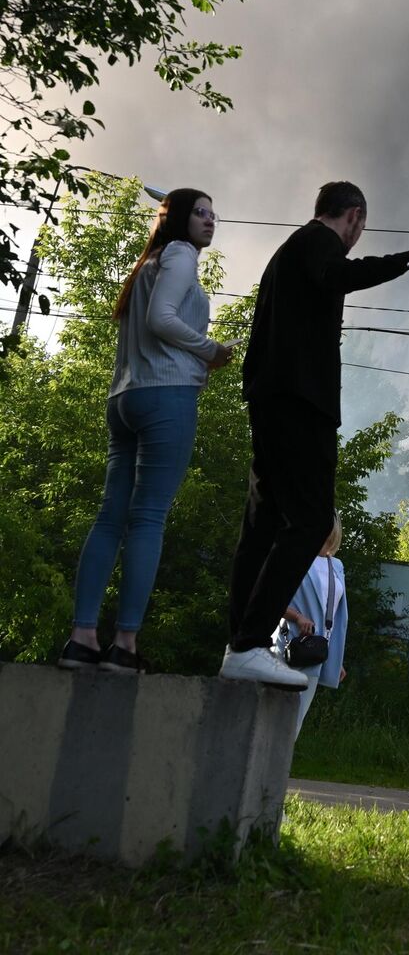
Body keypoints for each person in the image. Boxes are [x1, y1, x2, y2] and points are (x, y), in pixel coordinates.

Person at [221, 181, 409, 688]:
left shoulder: (292, 252)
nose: (357, 238)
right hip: (299, 402)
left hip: (273, 397)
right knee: (310, 522)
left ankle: (239, 644)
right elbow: (341, 274)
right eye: (361, 227)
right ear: (353, 216)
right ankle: (248, 644)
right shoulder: (318, 243)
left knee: (265, 520)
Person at [59, 188, 234, 673]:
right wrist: (211, 349)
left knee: (110, 517)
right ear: (177, 218)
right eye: (200, 212)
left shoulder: (149, 263)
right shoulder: (179, 255)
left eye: (213, 213)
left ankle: (82, 638)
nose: (210, 220)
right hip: (165, 396)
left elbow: (150, 321)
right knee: (148, 518)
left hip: (124, 399)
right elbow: (163, 321)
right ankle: (126, 646)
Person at [275, 514, 348, 738]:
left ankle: (277, 769)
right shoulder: (292, 556)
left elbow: (335, 616)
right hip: (288, 648)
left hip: (315, 654)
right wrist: (297, 616)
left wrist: (337, 659)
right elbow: (268, 600)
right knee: (275, 716)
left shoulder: (335, 565)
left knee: (295, 723)